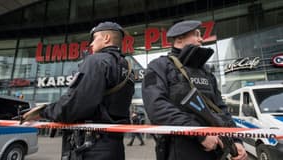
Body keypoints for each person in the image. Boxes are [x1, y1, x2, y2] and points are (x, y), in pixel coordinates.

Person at [22, 21, 135, 160]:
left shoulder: (96, 61)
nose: (91, 44)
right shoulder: (128, 68)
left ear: (106, 38)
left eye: (94, 39)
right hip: (114, 146)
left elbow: (75, 105)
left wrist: (43, 112)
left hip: (91, 147)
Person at [142, 20, 247, 160]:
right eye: (196, 34)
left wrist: (236, 140)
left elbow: (221, 108)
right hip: (179, 149)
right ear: (179, 38)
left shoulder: (206, 71)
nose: (201, 39)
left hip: (215, 150)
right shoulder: (158, 66)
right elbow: (156, 107)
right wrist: (199, 133)